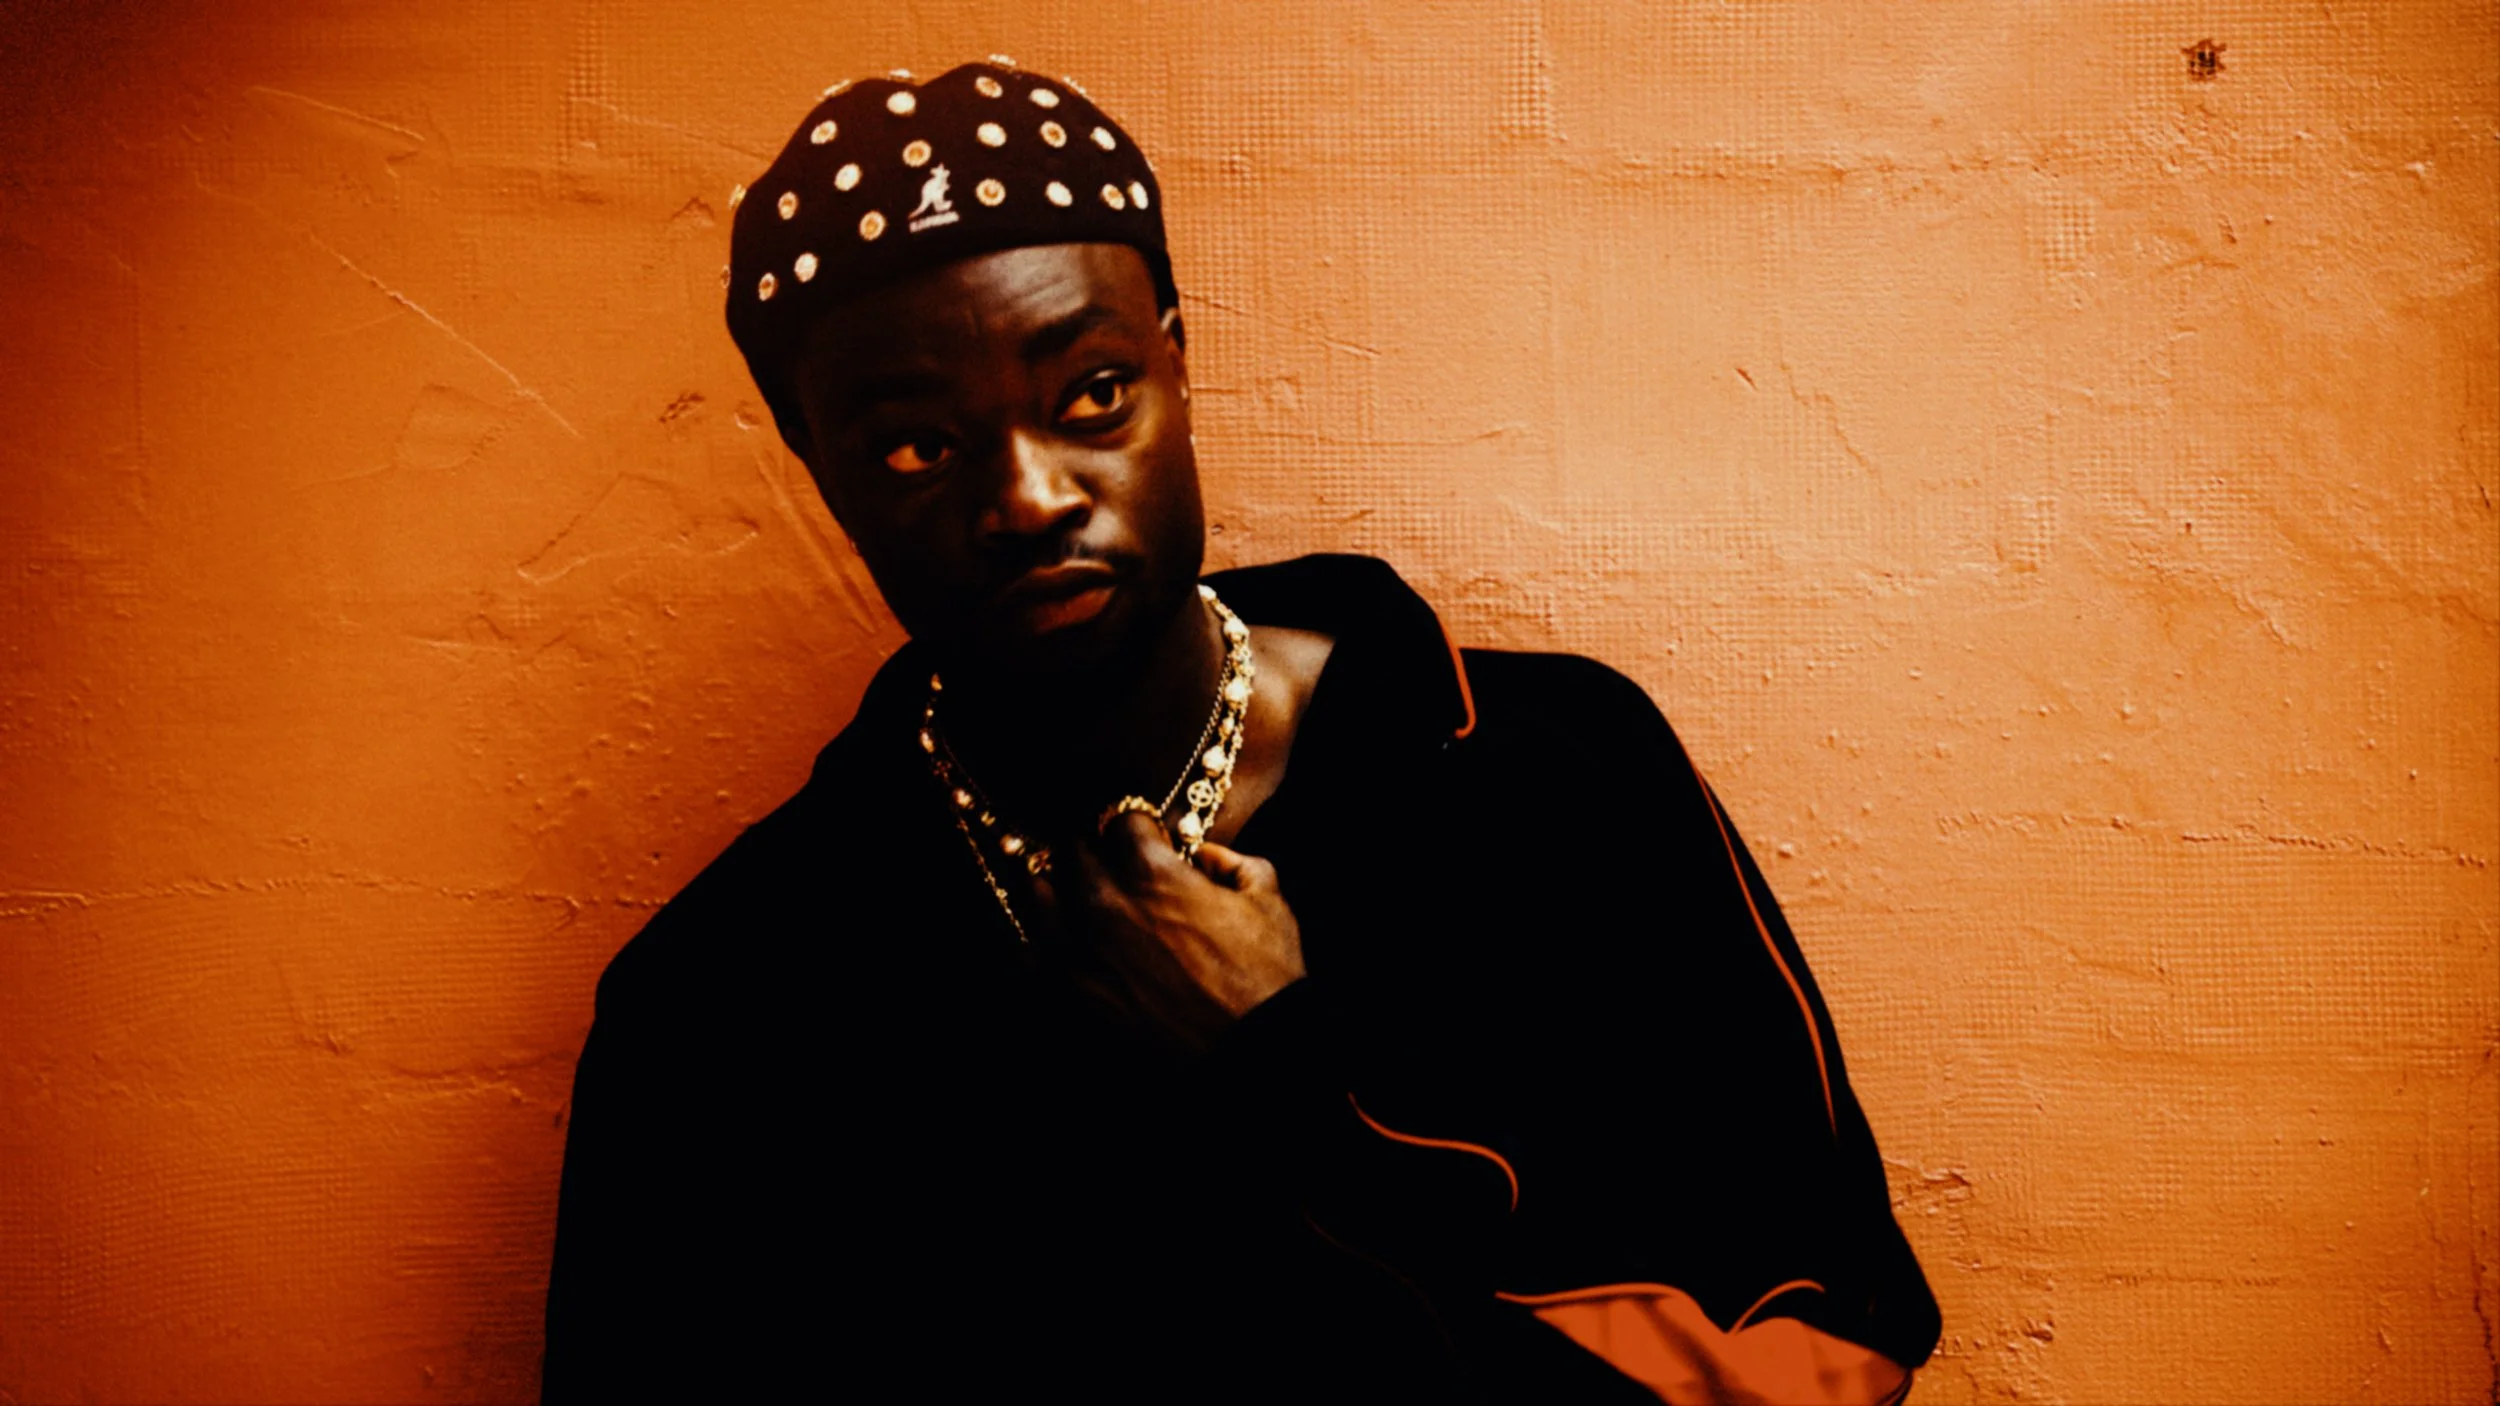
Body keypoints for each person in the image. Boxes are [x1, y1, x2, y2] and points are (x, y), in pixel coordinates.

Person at [541, 60, 1939, 1404]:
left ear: (1178, 367)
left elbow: (1821, 1359)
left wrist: (1287, 1088)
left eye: (1090, 392)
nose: (1027, 495)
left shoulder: (1548, 776)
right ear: (818, 465)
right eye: (917, 444)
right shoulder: (717, 1005)